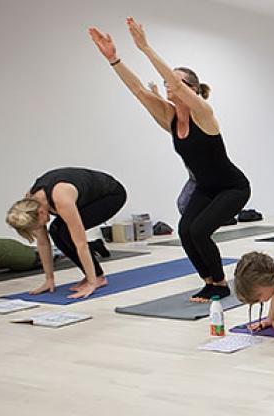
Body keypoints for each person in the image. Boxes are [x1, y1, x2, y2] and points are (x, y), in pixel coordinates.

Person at [89, 18, 250, 301]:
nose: (168, 86)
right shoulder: (170, 117)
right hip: (205, 187)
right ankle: (209, 281)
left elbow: (175, 81)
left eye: (175, 82)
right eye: (166, 83)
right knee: (185, 232)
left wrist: (145, 48)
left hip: (232, 187)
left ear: (193, 89)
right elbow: (138, 90)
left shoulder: (203, 114)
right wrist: (114, 60)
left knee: (199, 231)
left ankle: (221, 284)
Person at [5, 168, 126, 298]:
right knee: (56, 231)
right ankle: (93, 273)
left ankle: (97, 278)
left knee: (65, 233)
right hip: (84, 197)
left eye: (38, 226)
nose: (39, 228)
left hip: (111, 195)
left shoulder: (61, 198)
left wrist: (92, 283)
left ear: (41, 212)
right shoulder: (29, 204)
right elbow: (43, 243)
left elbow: (81, 244)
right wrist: (49, 279)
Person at [0, 234, 110, 282]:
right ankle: (93, 244)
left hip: (9, 253)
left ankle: (94, 245)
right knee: (53, 250)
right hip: (5, 250)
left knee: (54, 254)